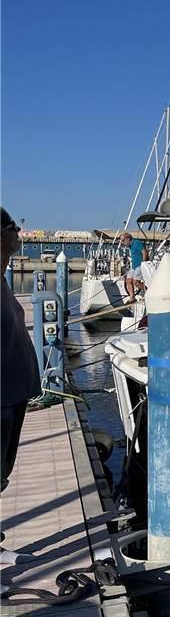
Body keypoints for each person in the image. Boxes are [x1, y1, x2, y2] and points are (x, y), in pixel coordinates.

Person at [1, 207, 40, 565]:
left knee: (1, 474)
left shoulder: (2, 279)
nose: (19, 232)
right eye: (13, 227)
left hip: (13, 394)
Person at [119, 232, 148, 302]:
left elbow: (144, 252)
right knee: (128, 280)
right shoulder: (130, 245)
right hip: (134, 266)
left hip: (140, 265)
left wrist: (143, 263)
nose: (122, 242)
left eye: (123, 240)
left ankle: (148, 291)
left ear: (128, 239)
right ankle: (132, 297)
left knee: (136, 282)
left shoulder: (137, 243)